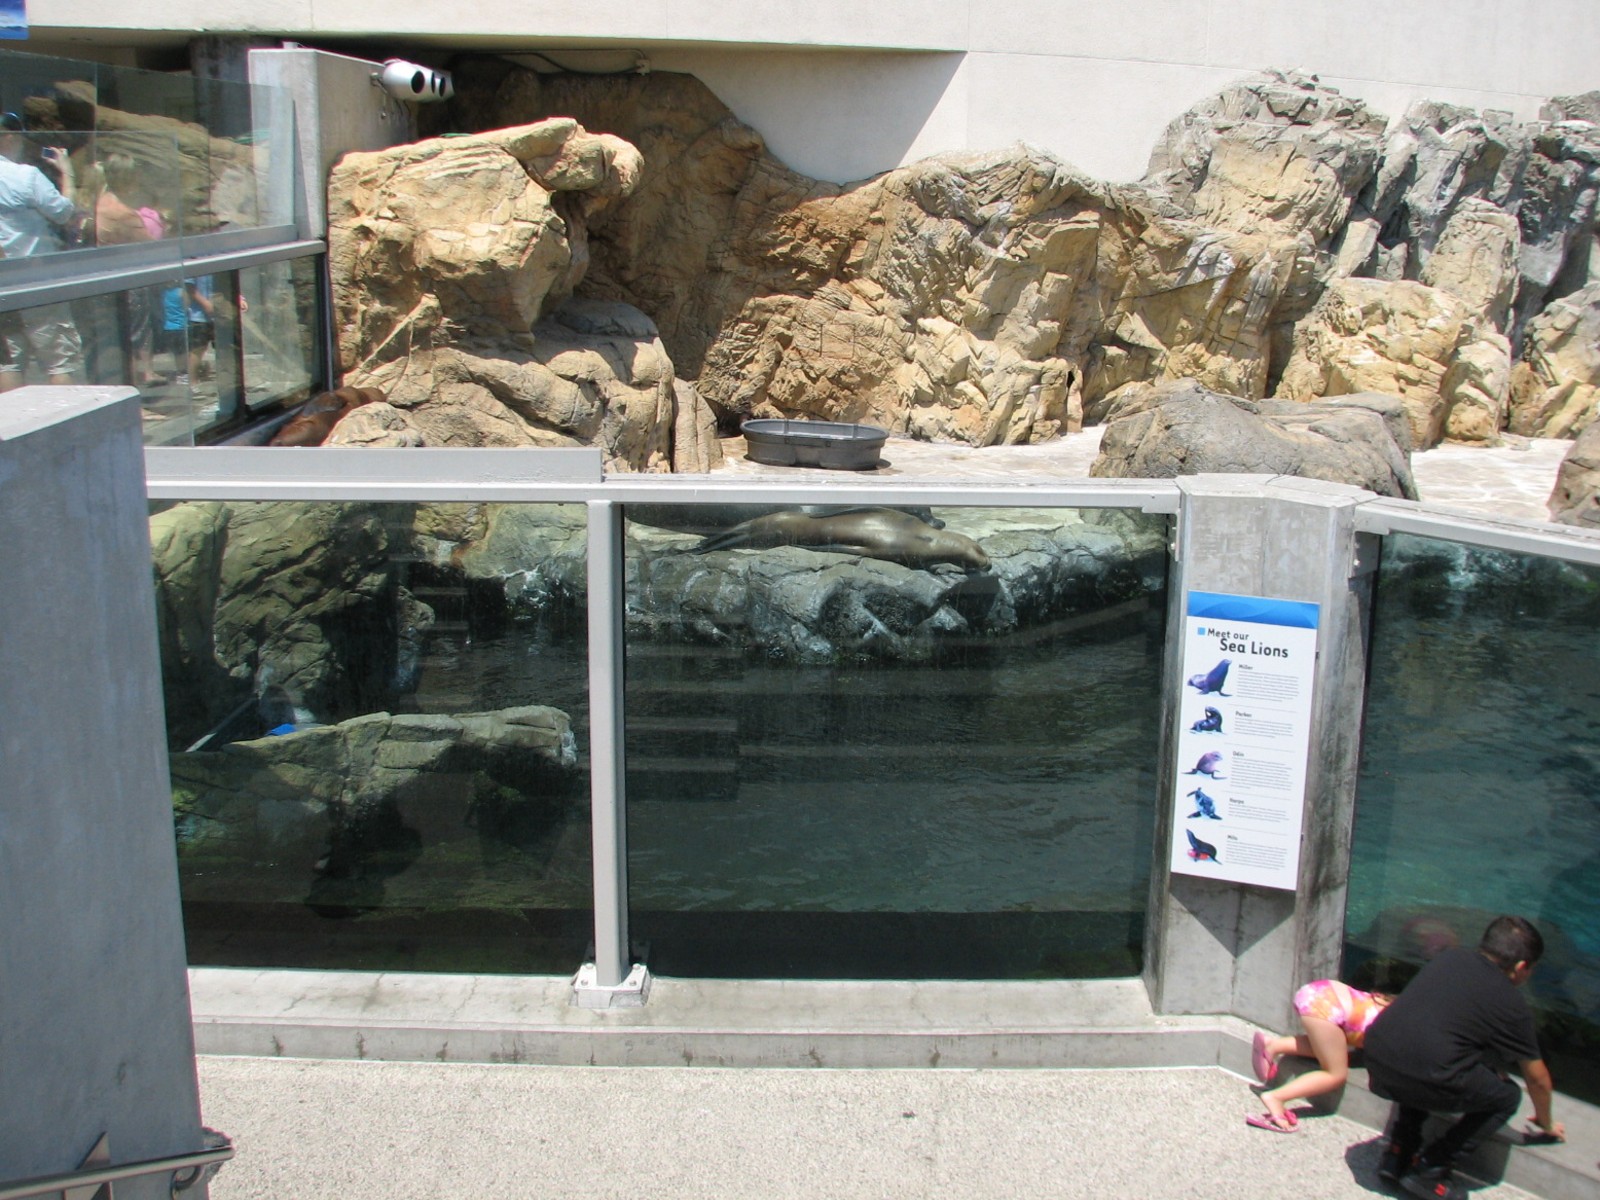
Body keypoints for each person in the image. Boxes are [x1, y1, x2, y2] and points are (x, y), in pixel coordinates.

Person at [1363, 915, 1565, 1200]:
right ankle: (1430, 1169)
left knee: (1426, 1052)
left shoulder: (1449, 959)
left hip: (1378, 1056)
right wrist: (1546, 1124)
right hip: (1423, 1071)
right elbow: (1537, 1079)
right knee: (1506, 1097)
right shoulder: (1511, 1002)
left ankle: (1398, 1152)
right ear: (1521, 967)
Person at [0, 109, 84, 390]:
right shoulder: (25, 176)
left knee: (8, 360)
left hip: (3, 284)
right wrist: (67, 174)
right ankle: (63, 430)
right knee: (58, 361)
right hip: (35, 281)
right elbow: (63, 213)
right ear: (10, 137)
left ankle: (13, 430)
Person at [1245, 978, 1392, 1133]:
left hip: (1322, 991)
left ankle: (1274, 1046)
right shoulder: (1395, 1030)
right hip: (1327, 1008)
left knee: (1331, 1048)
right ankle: (1276, 1097)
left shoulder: (1391, 1006)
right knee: (1335, 1074)